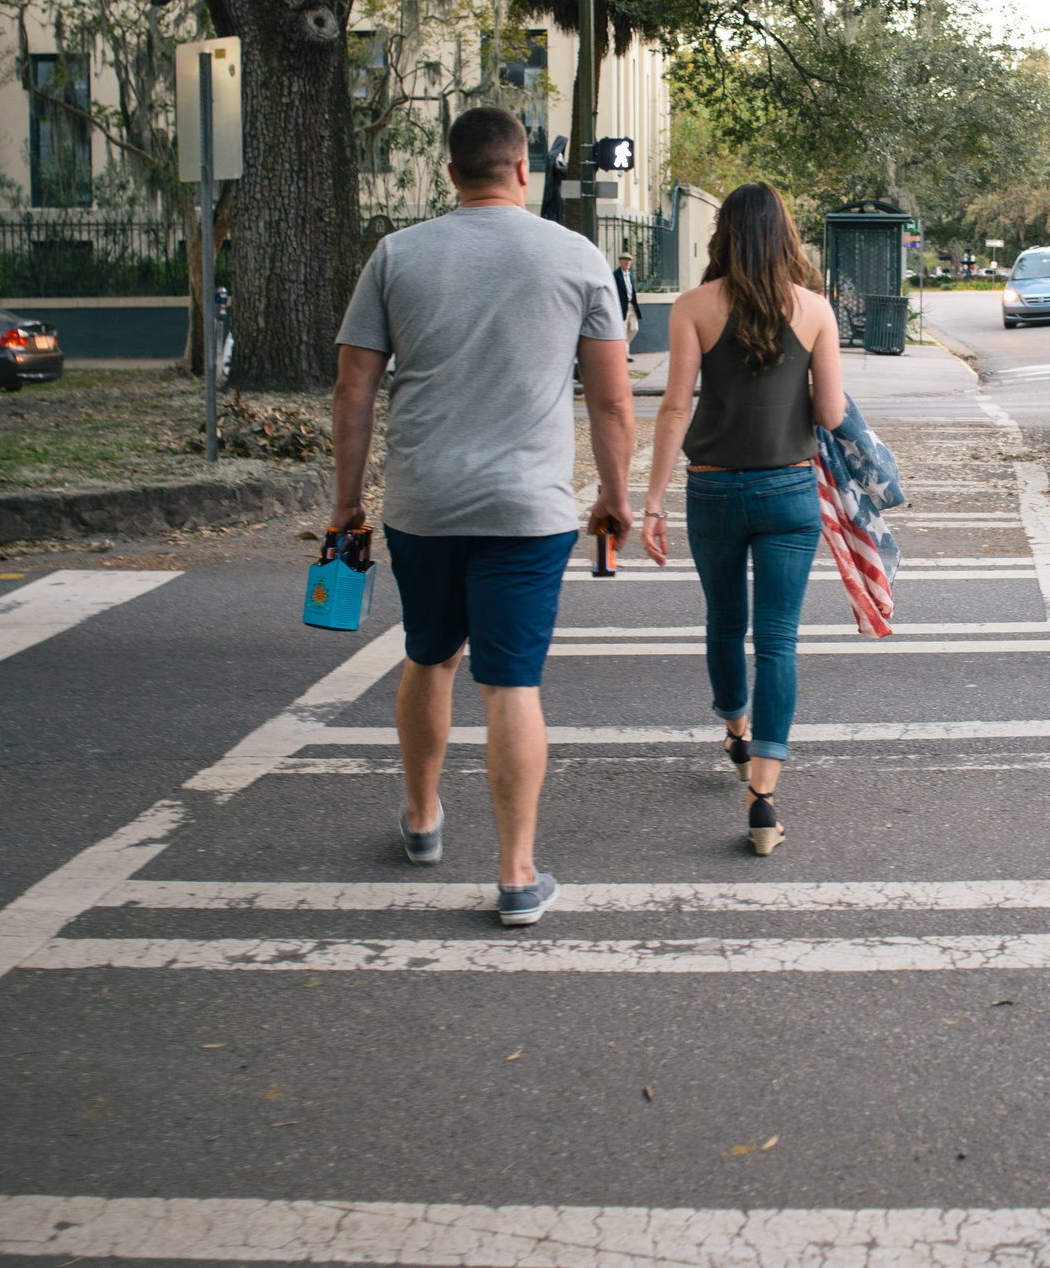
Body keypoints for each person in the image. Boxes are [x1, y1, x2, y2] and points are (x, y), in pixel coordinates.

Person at [330, 105, 634, 926]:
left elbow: (353, 388)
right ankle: (515, 873)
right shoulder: (576, 257)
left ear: (452, 171)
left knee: (429, 655)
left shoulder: (397, 254)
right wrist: (615, 497)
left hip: (423, 503)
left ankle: (424, 822)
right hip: (528, 511)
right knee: (510, 679)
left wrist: (346, 504)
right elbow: (609, 398)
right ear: (522, 167)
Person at [638, 182, 845, 856]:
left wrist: (652, 501)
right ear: (784, 235)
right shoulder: (814, 310)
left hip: (714, 490)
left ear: (723, 233)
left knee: (725, 619)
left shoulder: (693, 307)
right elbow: (833, 415)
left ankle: (735, 730)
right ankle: (763, 802)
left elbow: (674, 407)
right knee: (778, 639)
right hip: (789, 492)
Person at [613, 252, 642, 346]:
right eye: (625, 260)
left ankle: (624, 346)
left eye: (629, 260)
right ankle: (625, 353)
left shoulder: (629, 275)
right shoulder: (615, 275)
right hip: (622, 305)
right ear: (620, 261)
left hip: (631, 305)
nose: (627, 262)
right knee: (623, 328)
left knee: (634, 328)